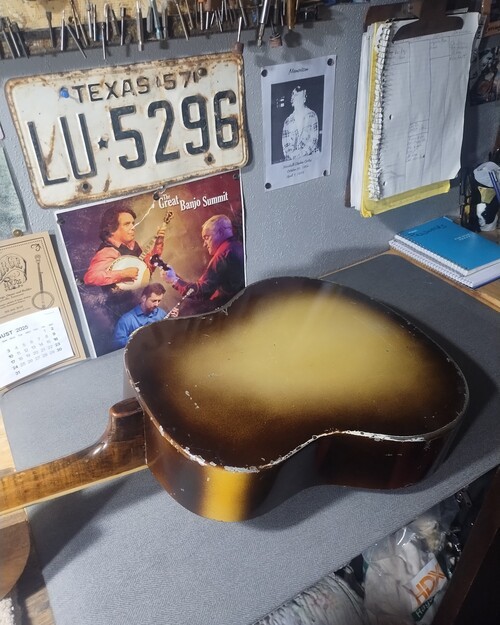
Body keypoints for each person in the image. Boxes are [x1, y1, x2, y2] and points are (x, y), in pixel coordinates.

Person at [162, 214, 244, 310]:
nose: (205, 244)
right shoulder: (238, 247)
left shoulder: (222, 255)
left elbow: (202, 292)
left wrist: (174, 280)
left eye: (207, 237)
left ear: (221, 232)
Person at [84, 206, 164, 288]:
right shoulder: (107, 252)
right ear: (112, 229)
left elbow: (148, 268)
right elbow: (90, 278)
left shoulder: (133, 245)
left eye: (133, 223)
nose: (133, 227)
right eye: (127, 224)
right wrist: (123, 274)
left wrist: (159, 243)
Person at [112, 283, 168, 349]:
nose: (157, 304)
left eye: (159, 301)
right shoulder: (126, 319)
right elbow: (116, 344)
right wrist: (138, 337)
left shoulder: (161, 313)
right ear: (144, 298)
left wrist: (172, 320)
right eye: (154, 301)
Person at [282, 85, 319, 161]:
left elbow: (313, 140)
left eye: (298, 96)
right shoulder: (288, 121)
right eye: (294, 95)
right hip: (293, 161)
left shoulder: (312, 115)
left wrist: (302, 153)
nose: (295, 98)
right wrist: (292, 155)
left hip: (310, 159)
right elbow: (285, 144)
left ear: (304, 99)